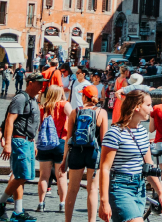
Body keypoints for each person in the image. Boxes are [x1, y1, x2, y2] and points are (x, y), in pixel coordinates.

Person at [98, 90, 162, 222]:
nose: (151, 109)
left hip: (139, 187)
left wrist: (161, 193)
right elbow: (105, 168)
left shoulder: (142, 131)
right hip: (120, 187)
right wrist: (104, 201)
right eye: (148, 105)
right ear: (136, 106)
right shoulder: (115, 133)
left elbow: (148, 166)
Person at [0, 72, 45, 222]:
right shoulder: (21, 98)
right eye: (39, 83)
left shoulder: (33, 99)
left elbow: (32, 125)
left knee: (20, 176)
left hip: (27, 141)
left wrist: (33, 142)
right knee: (21, 175)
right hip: (19, 141)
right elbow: (10, 120)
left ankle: (17, 211)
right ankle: (0, 203)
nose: (42, 86)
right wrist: (7, 143)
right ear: (30, 83)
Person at [62, 85, 108, 222]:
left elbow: (68, 138)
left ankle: (67, 220)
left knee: (72, 189)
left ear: (84, 97)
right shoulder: (102, 113)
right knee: (93, 189)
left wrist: (65, 159)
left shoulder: (75, 112)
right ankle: (91, 221)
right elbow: (104, 140)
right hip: (94, 153)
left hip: (76, 152)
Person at [34, 85, 70, 213]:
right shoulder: (64, 104)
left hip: (44, 143)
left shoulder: (42, 107)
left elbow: (36, 126)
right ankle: (62, 203)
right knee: (61, 176)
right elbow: (73, 118)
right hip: (61, 141)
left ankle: (41, 203)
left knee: (44, 176)